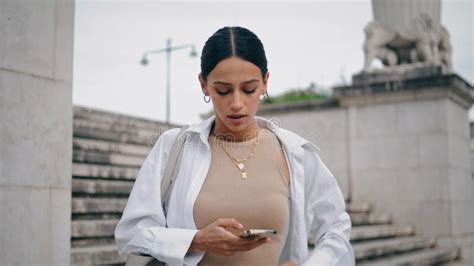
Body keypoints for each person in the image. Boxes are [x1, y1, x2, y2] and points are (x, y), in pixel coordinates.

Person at [115, 26, 354, 266]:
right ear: (203, 84)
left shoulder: (293, 151)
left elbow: (336, 228)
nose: (237, 103)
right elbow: (132, 232)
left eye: (249, 89)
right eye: (223, 91)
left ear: (265, 82)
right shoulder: (174, 146)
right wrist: (196, 240)